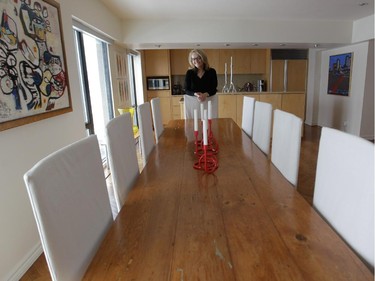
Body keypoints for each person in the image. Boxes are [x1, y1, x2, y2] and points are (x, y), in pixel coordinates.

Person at [184, 49, 218, 119]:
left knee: (209, 125)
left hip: (209, 104)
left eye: (198, 58)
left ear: (203, 58)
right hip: (193, 105)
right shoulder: (189, 73)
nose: (196, 61)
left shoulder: (212, 72)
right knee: (194, 126)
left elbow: (214, 89)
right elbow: (186, 90)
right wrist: (195, 94)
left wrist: (205, 94)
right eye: (193, 59)